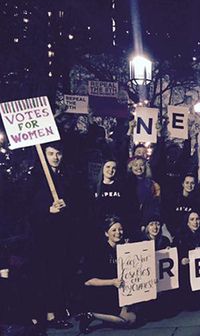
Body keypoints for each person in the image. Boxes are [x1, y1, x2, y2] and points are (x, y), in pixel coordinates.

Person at [29, 142, 74, 330]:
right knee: (46, 275)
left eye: (58, 154)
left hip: (61, 234)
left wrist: (67, 205)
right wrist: (48, 210)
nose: (55, 157)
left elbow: (75, 201)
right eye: (51, 153)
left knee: (60, 273)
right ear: (44, 156)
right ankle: (47, 314)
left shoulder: (65, 176)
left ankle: (59, 309)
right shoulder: (37, 177)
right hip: (43, 236)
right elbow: (28, 207)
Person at [78, 216, 136, 333]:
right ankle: (91, 315)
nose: (118, 233)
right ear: (106, 233)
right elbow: (88, 281)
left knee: (133, 319)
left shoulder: (124, 249)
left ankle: (106, 317)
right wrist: (112, 282)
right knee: (126, 321)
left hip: (117, 295)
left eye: (120, 229)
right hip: (99, 294)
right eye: (113, 230)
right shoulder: (98, 251)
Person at [173, 210, 200, 309]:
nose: (195, 222)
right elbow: (176, 256)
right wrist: (182, 260)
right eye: (192, 219)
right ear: (187, 222)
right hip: (187, 277)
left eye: (197, 219)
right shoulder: (180, 238)